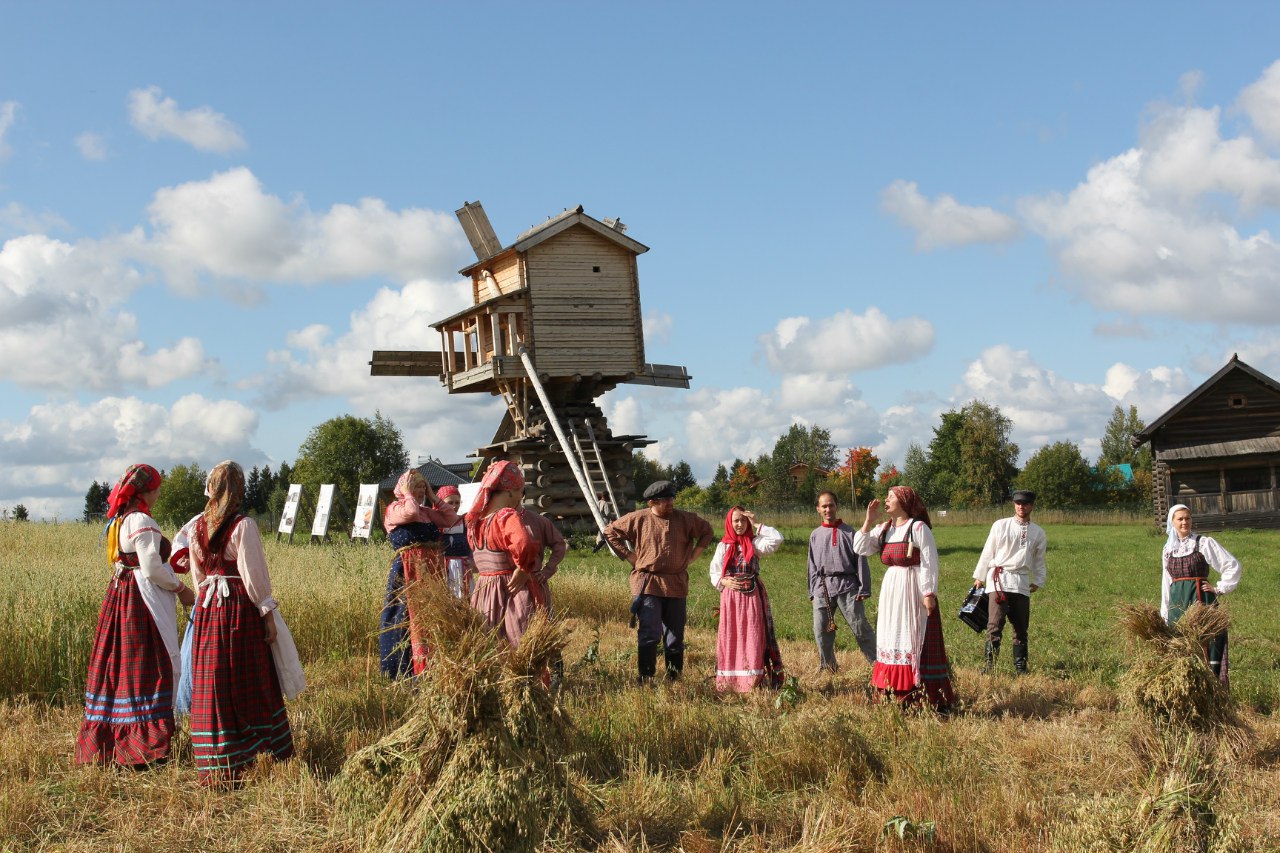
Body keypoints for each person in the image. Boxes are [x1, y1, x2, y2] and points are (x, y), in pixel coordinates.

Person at [187, 461, 301, 784]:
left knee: (215, 679)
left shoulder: (196, 527)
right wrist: (267, 614)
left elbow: (198, 578)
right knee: (247, 674)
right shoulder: (243, 526)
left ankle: (217, 759)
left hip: (209, 609)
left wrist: (204, 604)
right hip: (238, 608)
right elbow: (253, 575)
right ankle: (258, 750)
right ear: (237, 489)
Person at [77, 463, 196, 767]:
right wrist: (181, 588)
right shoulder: (141, 519)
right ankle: (143, 748)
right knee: (150, 666)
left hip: (122, 596)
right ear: (147, 490)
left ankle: (114, 743)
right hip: (141, 600)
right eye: (156, 489)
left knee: (120, 667)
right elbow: (152, 567)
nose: (158, 494)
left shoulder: (121, 519)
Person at [854, 486, 954, 711]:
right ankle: (894, 693)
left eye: (891, 497)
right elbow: (860, 547)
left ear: (904, 501)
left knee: (913, 636)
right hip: (892, 591)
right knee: (892, 637)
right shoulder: (884, 529)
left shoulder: (917, 528)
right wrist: (868, 521)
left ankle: (922, 696)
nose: (886, 500)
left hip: (912, 589)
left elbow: (929, 561)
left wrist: (928, 593)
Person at [604, 480, 714, 682]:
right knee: (650, 632)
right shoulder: (638, 518)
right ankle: (646, 676)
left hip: (676, 583)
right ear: (651, 503)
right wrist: (629, 556)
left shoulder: (685, 519)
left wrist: (694, 556)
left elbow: (707, 531)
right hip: (648, 583)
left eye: (672, 498)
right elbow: (610, 531)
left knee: (675, 636)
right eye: (665, 500)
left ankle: (674, 677)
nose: (670, 502)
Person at [379, 469, 462, 678]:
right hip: (408, 571)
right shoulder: (394, 508)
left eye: (421, 486)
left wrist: (434, 497)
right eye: (414, 485)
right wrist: (408, 494)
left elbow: (451, 519)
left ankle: (433, 666)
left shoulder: (427, 511)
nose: (418, 490)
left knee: (433, 614)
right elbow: (411, 513)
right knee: (404, 615)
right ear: (403, 488)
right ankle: (405, 670)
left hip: (432, 570)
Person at [1161, 503, 1242, 685]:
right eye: (1180, 519)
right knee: (1181, 646)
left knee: (1208, 642)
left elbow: (1231, 565)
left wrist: (1219, 588)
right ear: (1172, 523)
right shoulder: (1168, 550)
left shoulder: (1203, 543)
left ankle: (1211, 689)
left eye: (1187, 518)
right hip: (1178, 605)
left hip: (1201, 600)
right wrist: (1165, 613)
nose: (1184, 522)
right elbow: (1167, 583)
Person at [466, 460, 543, 647]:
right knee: (518, 642)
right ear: (509, 491)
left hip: (484, 592)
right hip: (509, 590)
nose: (519, 497)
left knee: (489, 643)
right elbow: (525, 543)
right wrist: (524, 567)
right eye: (519, 491)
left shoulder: (476, 522)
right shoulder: (505, 516)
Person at [709, 506, 785, 692]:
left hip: (751, 597)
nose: (739, 524)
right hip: (731, 599)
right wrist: (724, 581)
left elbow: (777, 539)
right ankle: (730, 680)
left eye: (743, 520)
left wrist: (757, 523)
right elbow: (714, 571)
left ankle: (752, 679)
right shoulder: (723, 546)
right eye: (736, 520)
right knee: (731, 635)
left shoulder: (755, 543)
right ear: (729, 522)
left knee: (753, 633)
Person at [972, 489, 1047, 674]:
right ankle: (990, 666)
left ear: (1032, 506)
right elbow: (988, 550)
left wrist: (1038, 579)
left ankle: (1021, 667)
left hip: (1021, 581)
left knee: (1021, 626)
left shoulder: (1038, 533)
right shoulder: (1000, 525)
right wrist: (979, 576)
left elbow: (1039, 559)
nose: (1022, 506)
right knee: (994, 624)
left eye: (1026, 503)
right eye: (1018, 503)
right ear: (1014, 504)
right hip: (999, 580)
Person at [807, 491, 877, 671]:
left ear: (836, 506)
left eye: (831, 505)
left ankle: (878, 666)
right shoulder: (815, 535)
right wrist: (812, 591)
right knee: (821, 631)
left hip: (848, 587)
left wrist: (864, 588)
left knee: (860, 628)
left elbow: (861, 560)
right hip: (823, 587)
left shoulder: (850, 532)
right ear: (818, 509)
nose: (827, 509)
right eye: (824, 506)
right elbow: (812, 565)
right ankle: (828, 667)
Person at [437, 485, 473, 599]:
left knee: (466, 599)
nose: (454, 506)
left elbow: (473, 544)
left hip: (463, 568)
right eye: (450, 502)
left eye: (457, 502)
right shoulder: (436, 523)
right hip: (444, 569)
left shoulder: (465, 521)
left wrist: (472, 561)